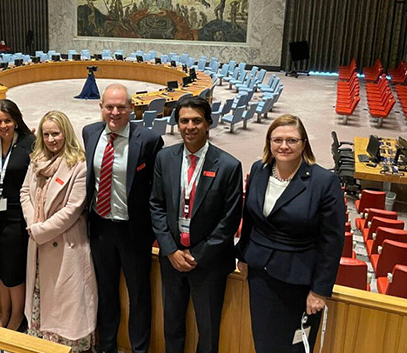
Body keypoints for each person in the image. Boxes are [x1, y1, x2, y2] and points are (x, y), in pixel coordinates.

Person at [236, 115, 345, 353]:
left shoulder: (324, 181)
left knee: (292, 345)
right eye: (277, 140)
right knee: (264, 341)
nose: (284, 146)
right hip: (260, 274)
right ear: (269, 143)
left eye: (292, 140)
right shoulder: (259, 169)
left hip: (298, 279)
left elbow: (332, 241)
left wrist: (319, 290)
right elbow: (250, 218)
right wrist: (243, 255)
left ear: (304, 144)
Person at [149, 96, 243, 353]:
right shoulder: (164, 158)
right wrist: (171, 250)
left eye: (196, 121)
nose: (190, 127)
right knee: (172, 326)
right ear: (177, 124)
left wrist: (197, 255)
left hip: (209, 262)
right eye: (184, 121)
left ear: (208, 124)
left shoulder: (229, 166)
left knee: (208, 332)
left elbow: (229, 219)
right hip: (173, 258)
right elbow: (156, 205)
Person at [83, 83, 163, 353]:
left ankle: (139, 350)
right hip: (100, 227)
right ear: (101, 108)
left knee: (138, 296)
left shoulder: (149, 140)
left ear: (131, 108)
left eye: (120, 107)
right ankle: (107, 347)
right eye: (109, 107)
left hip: (134, 231)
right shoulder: (90, 133)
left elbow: (156, 188)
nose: (114, 112)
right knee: (106, 294)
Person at [20, 110, 97, 352]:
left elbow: (73, 209)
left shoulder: (79, 164)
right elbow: (24, 193)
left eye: (56, 133)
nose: (51, 139)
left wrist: (40, 230)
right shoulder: (36, 161)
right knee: (43, 300)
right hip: (38, 239)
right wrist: (34, 224)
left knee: (66, 305)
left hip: (65, 243)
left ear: (66, 133)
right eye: (47, 134)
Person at [0, 99, 35, 331]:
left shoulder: (29, 144)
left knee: (14, 270)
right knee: (0, 269)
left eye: (8, 121)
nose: (3, 125)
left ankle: (17, 317)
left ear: (16, 121)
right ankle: (5, 312)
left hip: (17, 216)